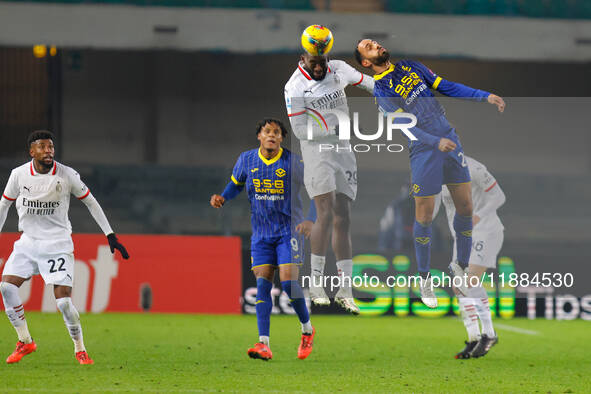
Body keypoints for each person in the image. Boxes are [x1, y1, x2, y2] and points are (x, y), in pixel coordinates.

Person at [354, 39, 505, 308]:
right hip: (424, 150)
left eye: (374, 42)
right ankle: (424, 280)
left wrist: (484, 95)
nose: (375, 45)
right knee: (424, 215)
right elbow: (405, 125)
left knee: (466, 207)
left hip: (448, 137)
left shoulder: (412, 66)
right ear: (366, 62)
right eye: (368, 46)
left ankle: (459, 267)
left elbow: (446, 86)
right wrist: (434, 142)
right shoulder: (381, 90)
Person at [0, 130, 129, 365]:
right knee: (6, 287)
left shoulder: (67, 174)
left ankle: (79, 348)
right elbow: (4, 205)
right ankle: (25, 341)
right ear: (32, 152)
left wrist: (110, 234)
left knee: (63, 303)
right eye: (42, 147)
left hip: (57, 244)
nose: (48, 151)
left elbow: (90, 201)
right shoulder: (18, 175)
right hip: (27, 242)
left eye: (50, 147)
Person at [210, 118, 316, 361]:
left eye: (276, 132)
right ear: (259, 135)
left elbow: (316, 190)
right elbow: (236, 184)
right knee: (262, 285)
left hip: (288, 230)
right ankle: (263, 344)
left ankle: (307, 330)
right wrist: (223, 197)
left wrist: (311, 219)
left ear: (281, 138)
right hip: (261, 233)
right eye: (267, 131)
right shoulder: (246, 159)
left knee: (289, 283)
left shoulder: (293, 162)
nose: (272, 135)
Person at [284, 35, 374, 314]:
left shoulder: (338, 68)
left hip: (343, 149)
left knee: (343, 217)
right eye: (314, 62)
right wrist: (330, 130)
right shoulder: (294, 87)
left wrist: (390, 91)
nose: (320, 66)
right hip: (316, 151)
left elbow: (368, 82)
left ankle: (345, 289)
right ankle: (316, 283)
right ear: (303, 59)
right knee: (324, 212)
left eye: (322, 61)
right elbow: (299, 130)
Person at [433, 156, 505, 358]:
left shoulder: (473, 168)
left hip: (486, 230)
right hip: (463, 237)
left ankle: (489, 334)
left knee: (470, 280)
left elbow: (499, 196)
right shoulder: (436, 173)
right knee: (459, 287)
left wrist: (478, 217)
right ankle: (474, 337)